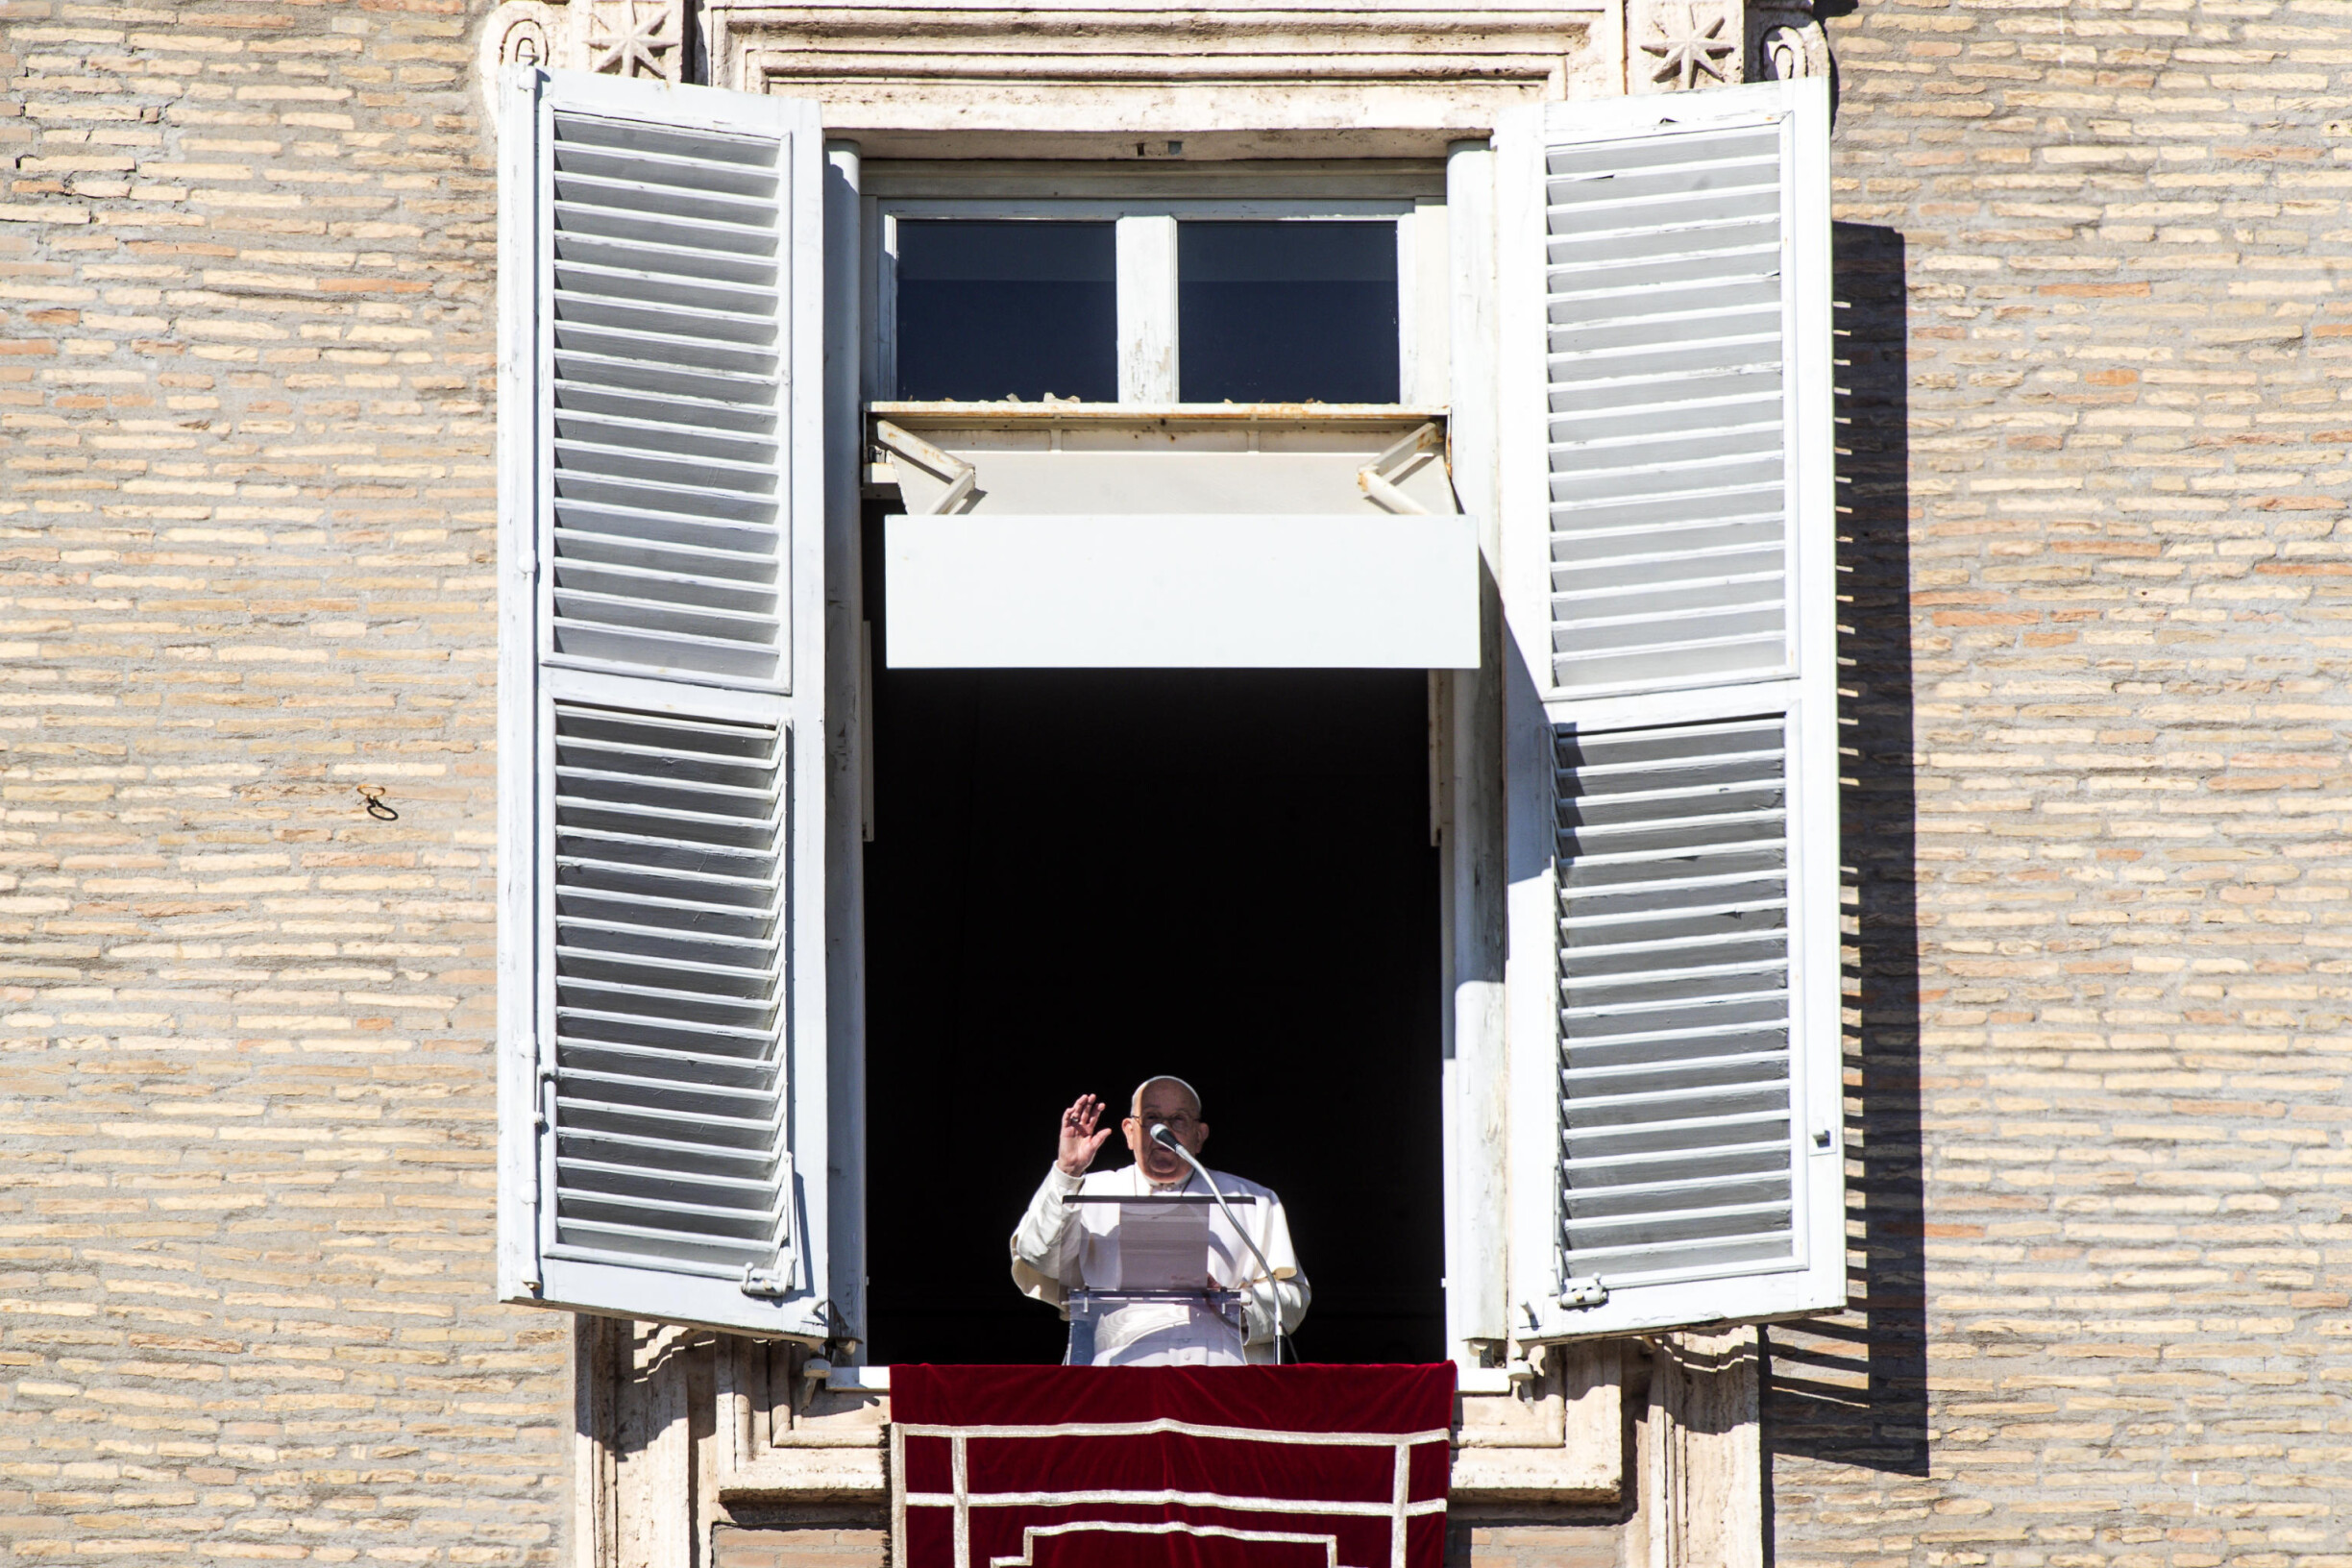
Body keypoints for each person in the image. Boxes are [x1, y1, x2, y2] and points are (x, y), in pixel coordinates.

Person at [1010, 1075, 1310, 1366]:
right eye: (1151, 1118)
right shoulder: (1087, 1192)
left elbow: (1291, 1298)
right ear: (1129, 1131)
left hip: (1220, 1379)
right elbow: (1038, 1256)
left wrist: (1232, 1302)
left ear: (1200, 1135)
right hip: (1119, 1377)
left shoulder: (1252, 1201)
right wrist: (1068, 1170)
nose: (1161, 1130)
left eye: (1178, 1119)